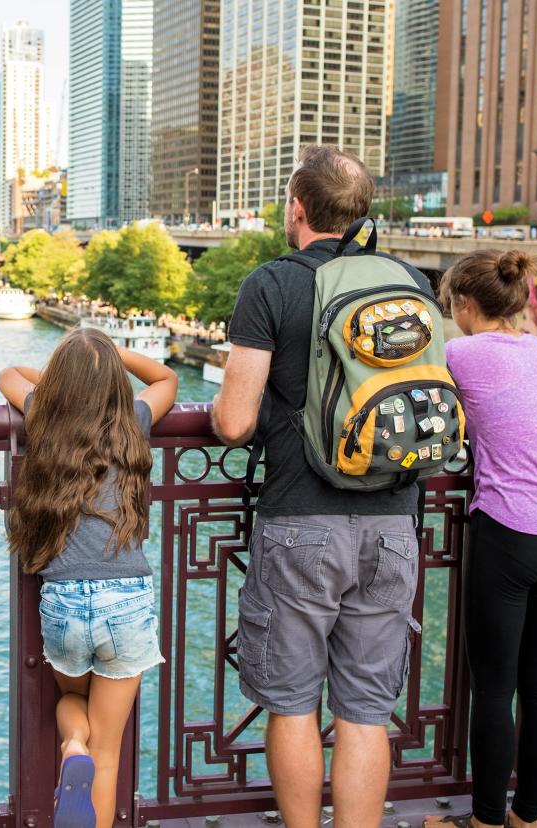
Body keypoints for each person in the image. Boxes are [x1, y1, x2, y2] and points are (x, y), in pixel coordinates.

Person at [212, 144, 434, 828]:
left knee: (292, 703)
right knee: (367, 711)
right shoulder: (408, 281)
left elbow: (233, 422)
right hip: (394, 520)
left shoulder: (272, 284)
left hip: (301, 520)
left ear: (298, 209)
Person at [424, 250, 537, 828]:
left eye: (451, 305)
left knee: (494, 689)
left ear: (466, 305)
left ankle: (486, 821)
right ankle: (528, 818)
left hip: (512, 529)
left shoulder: (460, 353)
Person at [0, 328, 178, 828]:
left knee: (73, 700)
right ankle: (85, 752)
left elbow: (6, 375)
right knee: (110, 747)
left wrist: (61, 372)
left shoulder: (43, 417)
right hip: (128, 601)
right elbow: (166, 377)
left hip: (64, 602)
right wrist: (113, 354)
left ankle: (72, 745)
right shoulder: (134, 422)